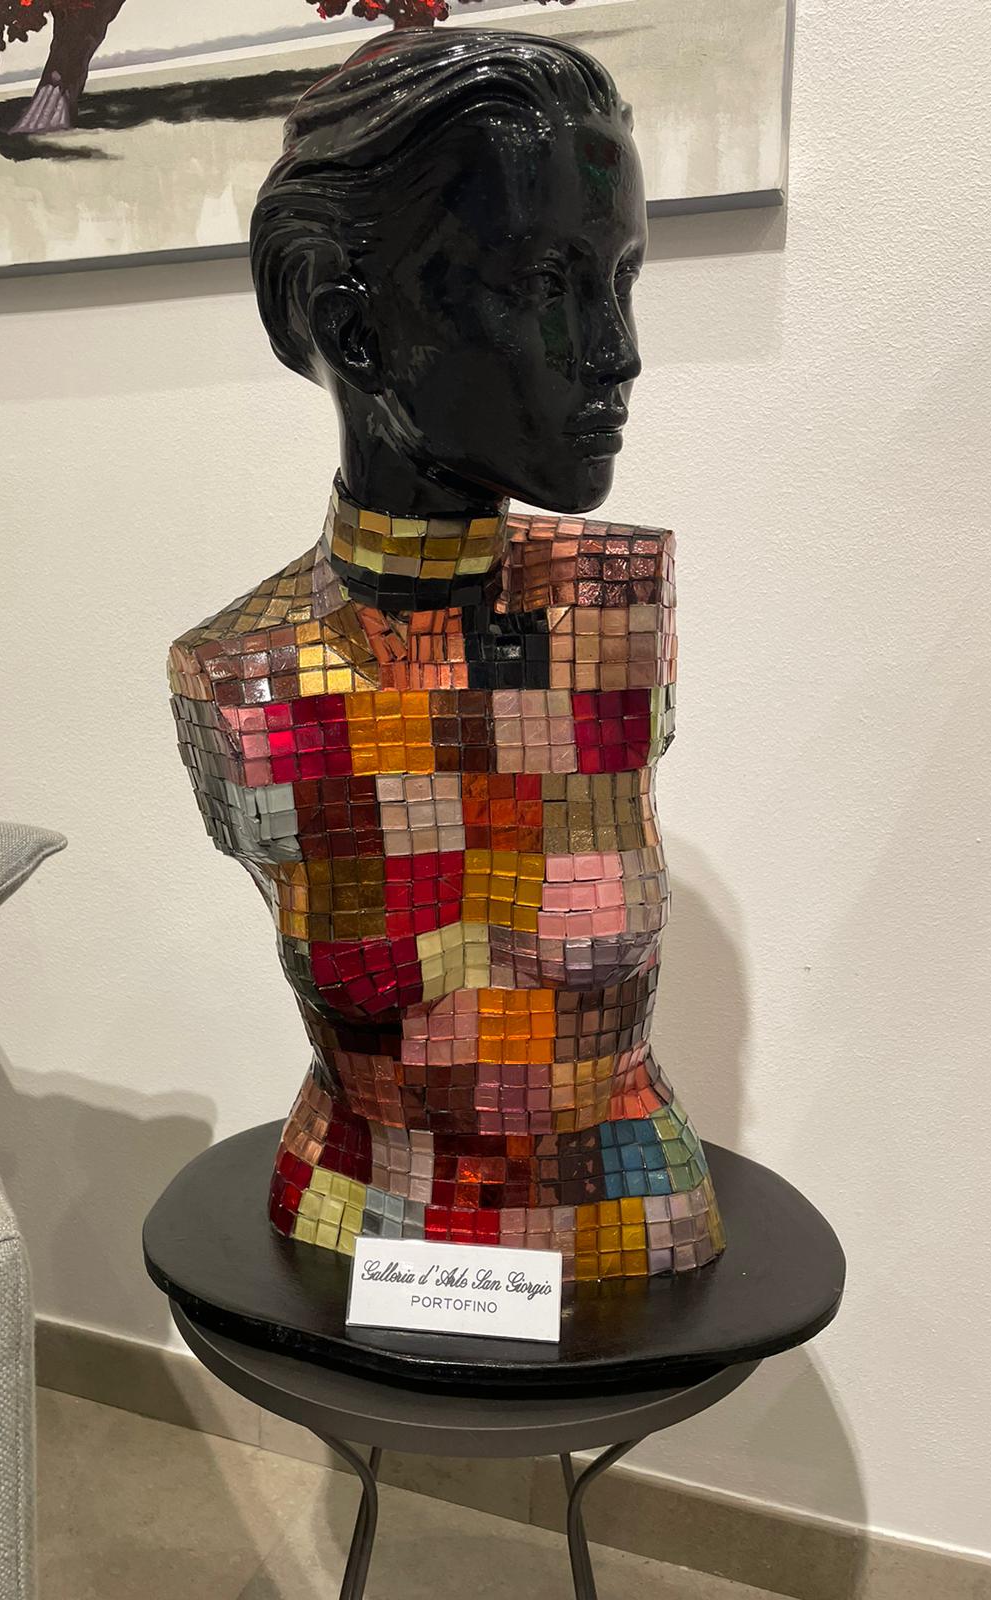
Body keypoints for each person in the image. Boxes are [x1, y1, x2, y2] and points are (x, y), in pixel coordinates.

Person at [168, 26, 723, 1281]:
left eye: (622, 279)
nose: (618, 351)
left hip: (621, 1223)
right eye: (548, 285)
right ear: (352, 326)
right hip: (364, 1218)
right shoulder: (246, 676)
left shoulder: (618, 615)